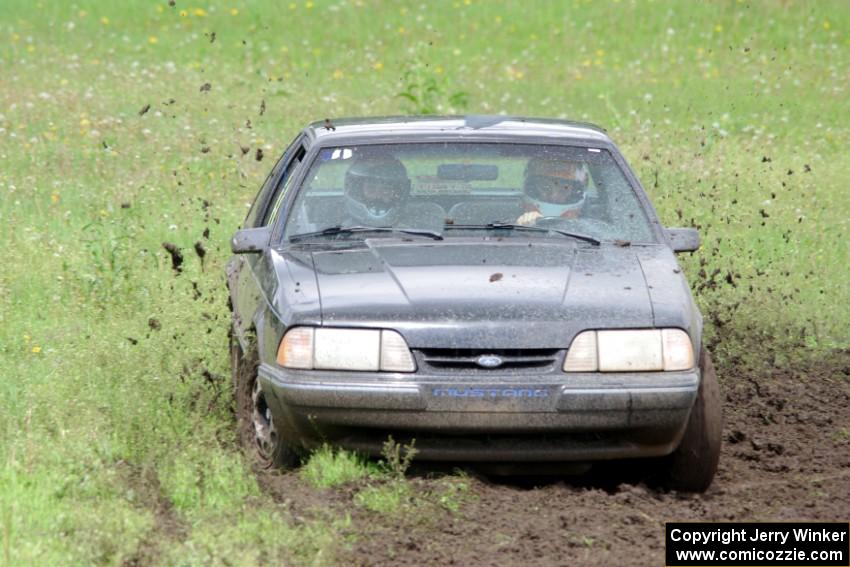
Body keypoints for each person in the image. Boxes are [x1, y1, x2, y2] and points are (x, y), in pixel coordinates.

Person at [516, 157, 589, 226]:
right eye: (546, 187)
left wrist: (576, 228)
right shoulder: (508, 227)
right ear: (532, 188)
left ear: (574, 193)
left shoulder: (592, 231)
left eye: (564, 189)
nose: (553, 196)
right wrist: (522, 228)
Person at [343, 154, 412, 226]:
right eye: (371, 189)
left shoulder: (409, 233)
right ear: (358, 191)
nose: (378, 195)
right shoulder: (341, 233)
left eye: (386, 189)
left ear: (397, 193)